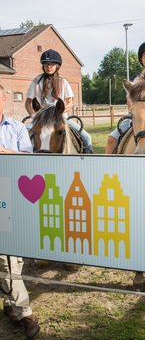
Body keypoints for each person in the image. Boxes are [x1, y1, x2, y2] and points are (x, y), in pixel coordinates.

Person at [0, 83, 40, 338]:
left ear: (3, 100)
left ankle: (9, 302)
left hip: (11, 197)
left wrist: (6, 152)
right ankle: (25, 312)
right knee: (6, 258)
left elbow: (28, 158)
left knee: (14, 256)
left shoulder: (16, 128)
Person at [25, 49, 93, 154]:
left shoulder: (63, 82)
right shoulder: (36, 81)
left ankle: (87, 163)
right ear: (43, 66)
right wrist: (34, 117)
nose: (49, 67)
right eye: (46, 64)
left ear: (58, 66)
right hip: (40, 119)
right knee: (23, 134)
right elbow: (28, 103)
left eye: (52, 64)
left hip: (60, 118)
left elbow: (70, 102)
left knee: (86, 137)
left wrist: (60, 112)